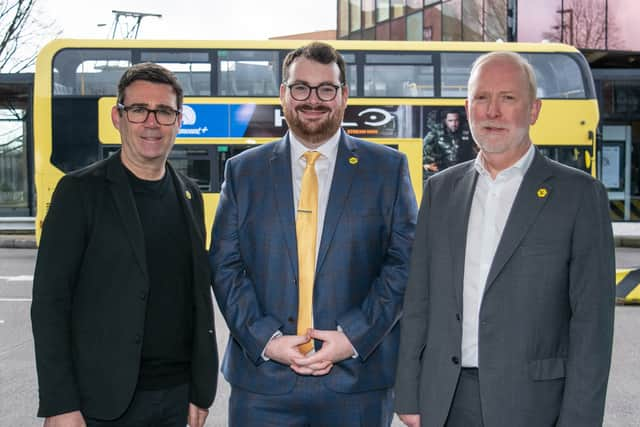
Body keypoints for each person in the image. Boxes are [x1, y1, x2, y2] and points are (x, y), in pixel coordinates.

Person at [395, 51, 615, 427]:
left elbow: (592, 325)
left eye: (508, 98)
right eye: (482, 98)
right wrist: (409, 393)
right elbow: (420, 300)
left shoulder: (579, 196)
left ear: (533, 110)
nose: (492, 111)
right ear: (468, 108)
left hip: (534, 404)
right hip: (446, 400)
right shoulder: (440, 190)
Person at [210, 42, 417, 427]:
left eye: (326, 88)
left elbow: (403, 264)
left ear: (344, 96)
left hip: (357, 385)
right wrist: (267, 341)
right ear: (283, 94)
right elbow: (225, 267)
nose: (313, 99)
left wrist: (352, 337)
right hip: (262, 388)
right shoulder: (243, 172)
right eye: (301, 87)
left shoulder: (387, 169)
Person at [31, 62, 218, 427]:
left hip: (176, 398)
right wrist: (60, 404)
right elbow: (50, 304)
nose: (152, 122)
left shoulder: (190, 195)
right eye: (138, 110)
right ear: (118, 117)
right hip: (100, 403)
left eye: (164, 111)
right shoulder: (79, 192)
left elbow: (195, 301)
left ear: (179, 121)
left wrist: (200, 388)